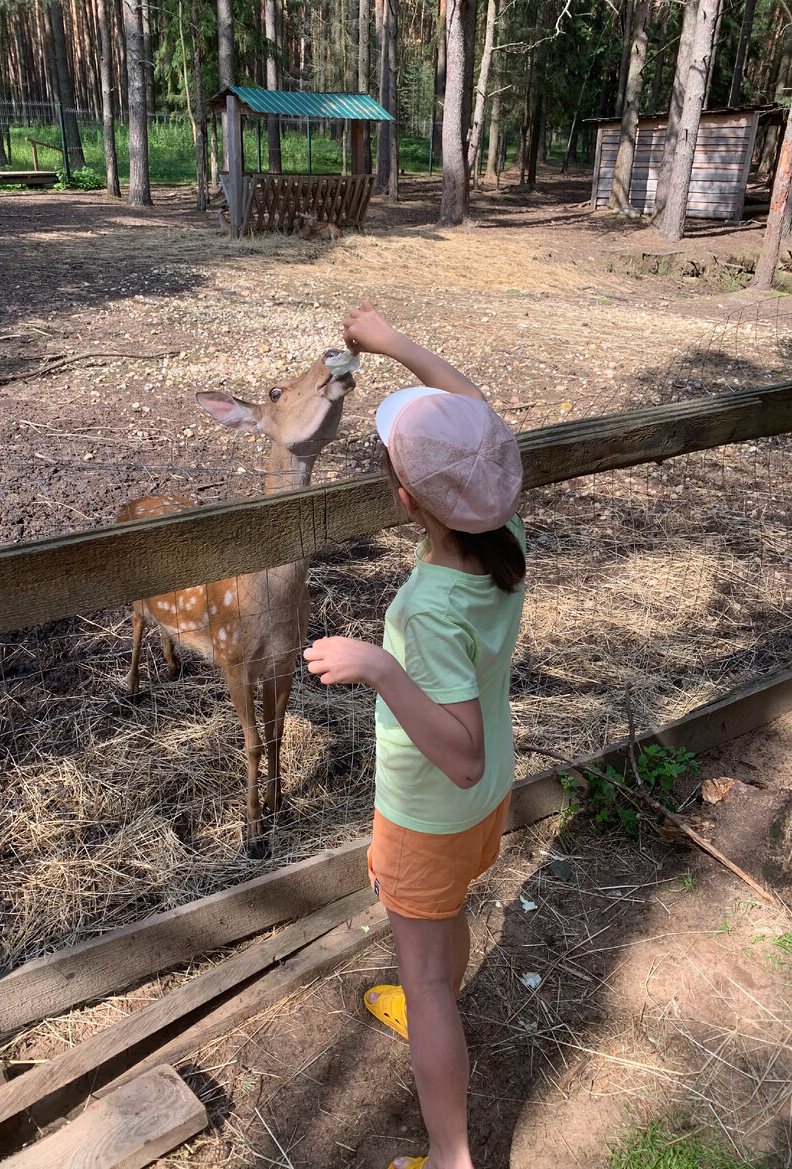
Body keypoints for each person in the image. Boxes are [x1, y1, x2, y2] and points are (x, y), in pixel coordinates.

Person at [303, 301, 526, 1169]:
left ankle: (454, 1155)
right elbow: (475, 420)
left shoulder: (428, 608)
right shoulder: (502, 534)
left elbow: (457, 746)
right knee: (444, 932)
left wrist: (378, 667)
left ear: (402, 499)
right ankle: (437, 987)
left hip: (435, 805)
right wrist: (393, 344)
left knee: (426, 982)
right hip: (484, 795)